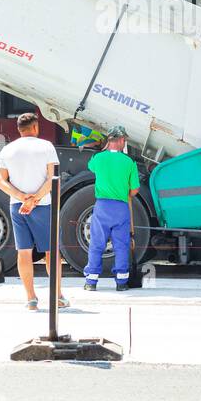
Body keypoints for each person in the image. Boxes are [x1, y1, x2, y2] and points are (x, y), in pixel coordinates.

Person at [0, 112, 67, 311]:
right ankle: (57, 296)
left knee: (24, 252)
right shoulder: (46, 147)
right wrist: (35, 199)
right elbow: (53, 179)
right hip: (43, 206)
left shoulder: (8, 150)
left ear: (19, 129)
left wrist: (22, 198)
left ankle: (31, 299)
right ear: (35, 127)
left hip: (17, 206)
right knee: (51, 252)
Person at [83, 125, 140, 292]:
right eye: (125, 140)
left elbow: (91, 167)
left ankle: (91, 282)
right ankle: (121, 283)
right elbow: (134, 190)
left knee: (97, 244)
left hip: (102, 207)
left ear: (109, 140)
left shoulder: (98, 159)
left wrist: (104, 148)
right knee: (121, 245)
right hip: (121, 207)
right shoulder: (129, 162)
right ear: (122, 140)